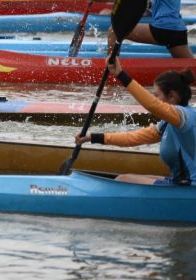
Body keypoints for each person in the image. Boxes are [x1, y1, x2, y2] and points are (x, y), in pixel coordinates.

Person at [76, 57, 195, 186]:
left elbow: (152, 105)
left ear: (172, 96)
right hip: (180, 183)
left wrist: (121, 75)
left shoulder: (185, 116)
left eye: (157, 95)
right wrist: (92, 137)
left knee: (122, 180)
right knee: (130, 177)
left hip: (189, 188)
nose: (155, 98)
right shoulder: (166, 124)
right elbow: (132, 138)